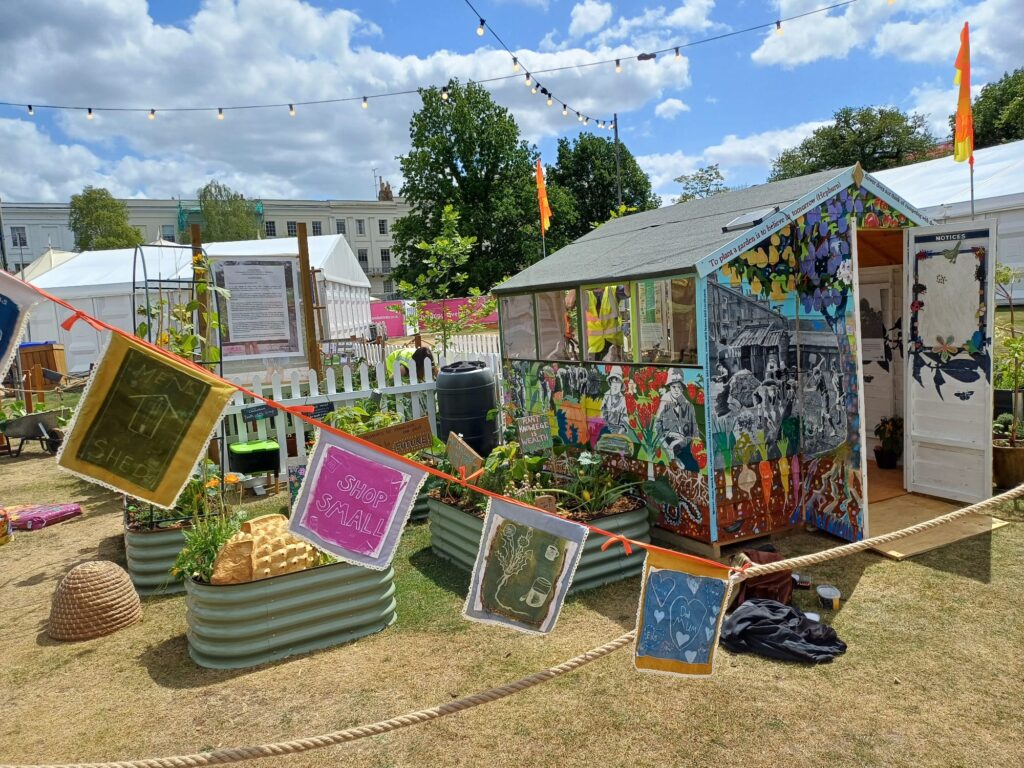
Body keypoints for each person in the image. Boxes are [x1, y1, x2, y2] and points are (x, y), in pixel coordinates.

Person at [656, 371, 698, 460]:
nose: (676, 390)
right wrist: (664, 441)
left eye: (679, 387)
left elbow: (694, 431)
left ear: (682, 388)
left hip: (683, 445)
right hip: (665, 442)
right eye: (673, 386)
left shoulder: (688, 406)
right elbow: (657, 424)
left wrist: (681, 444)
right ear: (669, 387)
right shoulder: (664, 402)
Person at [600, 366, 628, 434]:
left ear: (621, 384)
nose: (615, 385)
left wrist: (619, 432)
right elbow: (603, 414)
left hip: (618, 430)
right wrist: (606, 429)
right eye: (613, 381)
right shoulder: (607, 395)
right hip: (606, 428)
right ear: (610, 383)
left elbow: (624, 419)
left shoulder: (622, 399)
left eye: (618, 382)